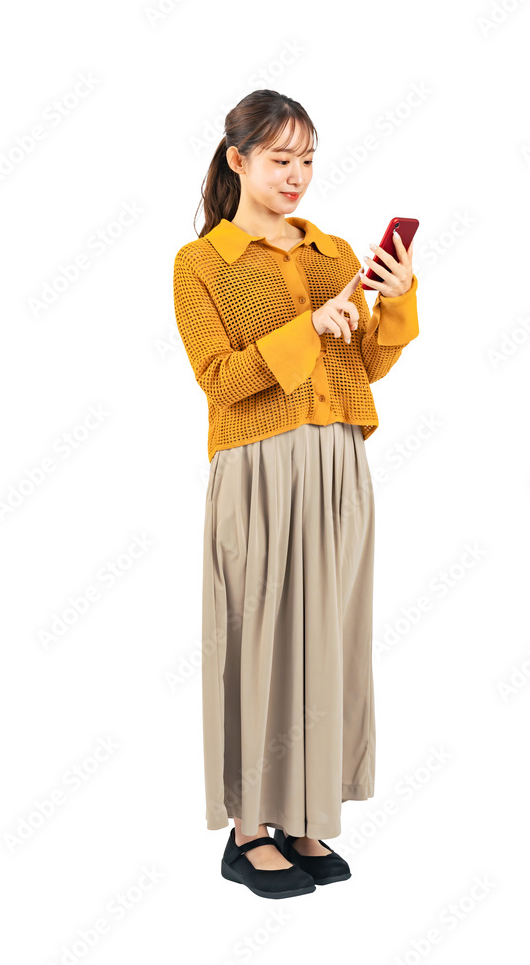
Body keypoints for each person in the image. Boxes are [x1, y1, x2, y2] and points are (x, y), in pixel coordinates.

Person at [173, 89, 420, 898]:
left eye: (308, 160)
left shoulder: (332, 252)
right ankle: (249, 830)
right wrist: (305, 328)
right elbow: (219, 380)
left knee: (330, 639)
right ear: (237, 160)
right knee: (258, 641)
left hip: (338, 460)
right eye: (281, 159)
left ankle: (307, 816)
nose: (297, 175)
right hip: (257, 466)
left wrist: (397, 297)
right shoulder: (202, 263)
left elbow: (367, 363)